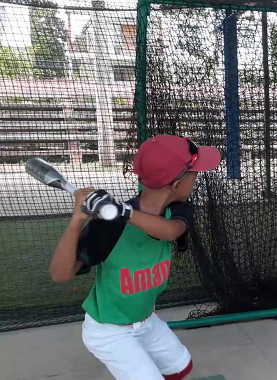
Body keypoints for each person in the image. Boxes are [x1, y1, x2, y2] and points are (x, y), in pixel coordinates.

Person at [49, 135, 221, 380]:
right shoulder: (110, 227)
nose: (195, 179)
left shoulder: (179, 209)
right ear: (175, 183)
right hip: (110, 332)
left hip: (146, 321)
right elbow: (60, 274)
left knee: (180, 366)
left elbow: (170, 231)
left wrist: (124, 212)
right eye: (193, 174)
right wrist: (77, 219)